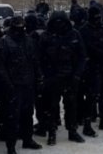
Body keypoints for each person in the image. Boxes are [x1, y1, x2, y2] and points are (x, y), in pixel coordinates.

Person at [0, 16, 43, 153]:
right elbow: (0, 66)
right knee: (12, 116)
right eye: (18, 25)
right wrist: (8, 84)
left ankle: (27, 139)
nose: (20, 28)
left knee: (28, 113)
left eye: (22, 25)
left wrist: (39, 77)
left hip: (28, 83)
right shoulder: (4, 42)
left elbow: (35, 61)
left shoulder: (28, 40)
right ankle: (11, 146)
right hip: (13, 85)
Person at [39, 11, 86, 145]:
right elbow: (39, 58)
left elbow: (82, 56)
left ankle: (72, 130)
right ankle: (52, 132)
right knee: (51, 106)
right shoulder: (46, 36)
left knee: (71, 105)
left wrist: (77, 74)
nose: (59, 25)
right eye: (56, 22)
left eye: (62, 22)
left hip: (70, 76)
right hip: (52, 77)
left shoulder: (74, 34)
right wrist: (44, 75)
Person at [79, 6, 103, 131]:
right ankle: (87, 123)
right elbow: (88, 49)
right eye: (96, 17)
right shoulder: (84, 30)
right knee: (92, 96)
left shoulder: (102, 28)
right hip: (92, 67)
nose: (98, 19)